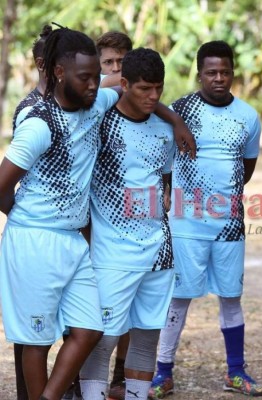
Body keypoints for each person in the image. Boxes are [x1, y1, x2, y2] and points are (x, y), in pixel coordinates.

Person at [0, 27, 120, 400]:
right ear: (58, 73)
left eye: (96, 76)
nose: (93, 85)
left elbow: (127, 84)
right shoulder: (38, 124)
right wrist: (21, 214)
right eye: (85, 77)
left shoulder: (95, 102)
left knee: (89, 329)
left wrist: (175, 119)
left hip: (73, 240)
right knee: (36, 340)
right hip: (35, 241)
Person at [149, 40, 262, 398]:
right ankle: (163, 372)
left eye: (225, 72)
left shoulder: (248, 116)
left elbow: (245, 169)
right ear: (199, 73)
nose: (219, 78)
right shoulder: (179, 110)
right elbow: (161, 153)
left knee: (231, 297)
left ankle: (236, 372)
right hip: (186, 224)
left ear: (233, 73)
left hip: (229, 224)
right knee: (178, 298)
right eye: (211, 72)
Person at [78, 47, 175, 400]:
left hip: (159, 252)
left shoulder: (166, 128)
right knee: (103, 338)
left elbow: (164, 179)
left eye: (158, 89)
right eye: (143, 89)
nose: (152, 97)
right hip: (112, 253)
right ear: (125, 84)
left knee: (148, 334)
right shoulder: (99, 123)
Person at [9, 23, 52, 400]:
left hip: (65, 231)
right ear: (44, 64)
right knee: (30, 330)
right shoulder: (33, 112)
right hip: (34, 230)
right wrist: (16, 212)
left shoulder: (68, 104)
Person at [95, 29, 134, 400]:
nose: (115, 70)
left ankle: (121, 377)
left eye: (122, 63)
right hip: (94, 217)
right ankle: (85, 375)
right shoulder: (91, 104)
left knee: (127, 309)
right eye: (108, 63)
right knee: (94, 305)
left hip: (133, 222)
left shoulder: (147, 107)